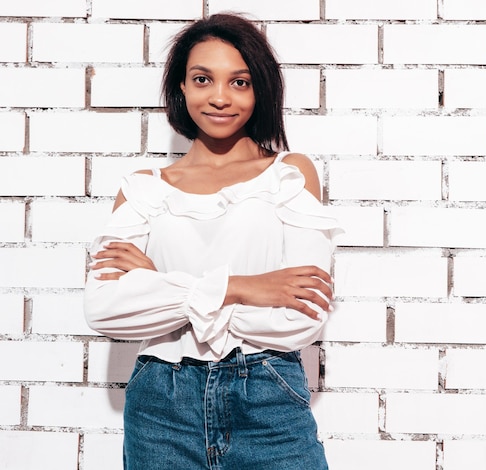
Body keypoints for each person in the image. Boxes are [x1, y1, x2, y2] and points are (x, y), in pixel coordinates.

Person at [83, 13, 340, 470]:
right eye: (203, 79)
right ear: (181, 87)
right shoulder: (144, 188)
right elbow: (105, 309)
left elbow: (298, 321)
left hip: (267, 396)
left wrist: (157, 283)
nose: (220, 97)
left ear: (260, 89)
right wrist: (242, 286)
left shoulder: (289, 174)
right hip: (161, 406)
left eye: (239, 82)